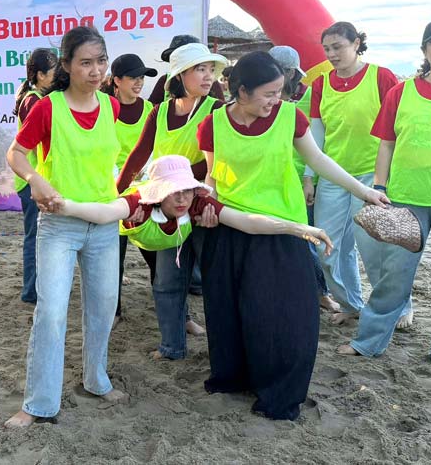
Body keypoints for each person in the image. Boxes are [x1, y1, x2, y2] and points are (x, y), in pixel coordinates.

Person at [197, 51, 388, 420]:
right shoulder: (213, 124)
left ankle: (279, 391)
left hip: (285, 229)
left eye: (281, 92)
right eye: (269, 94)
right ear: (240, 91)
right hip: (233, 226)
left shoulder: (290, 117)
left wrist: (364, 191)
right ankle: (235, 377)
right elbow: (212, 177)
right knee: (230, 310)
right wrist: (208, 203)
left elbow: (319, 160)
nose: (277, 101)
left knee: (284, 316)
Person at [54, 155, 334, 361]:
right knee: (165, 284)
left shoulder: (199, 203)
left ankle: (224, 353)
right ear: (157, 192)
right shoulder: (139, 200)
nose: (181, 199)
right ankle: (171, 348)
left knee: (213, 283)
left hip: (197, 230)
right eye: (173, 192)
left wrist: (301, 229)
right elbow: (104, 213)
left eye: (186, 190)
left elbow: (247, 222)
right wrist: (64, 206)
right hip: (155, 235)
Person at [338, 17, 431, 371]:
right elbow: (386, 144)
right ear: (425, 51)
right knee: (394, 275)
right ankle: (369, 341)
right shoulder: (401, 92)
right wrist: (379, 187)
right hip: (405, 200)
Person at [3, 26, 127, 429]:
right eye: (86, 62)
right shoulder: (48, 107)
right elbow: (16, 154)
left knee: (104, 308)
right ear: (67, 65)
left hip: (104, 226)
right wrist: (37, 180)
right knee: (52, 312)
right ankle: (38, 403)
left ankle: (96, 379)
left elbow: (118, 162)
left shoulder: (111, 107)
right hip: (59, 226)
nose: (95, 71)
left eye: (101, 61)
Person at [117, 42, 227, 332]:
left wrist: (179, 182)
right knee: (167, 273)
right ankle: (179, 328)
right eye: (200, 70)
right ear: (179, 75)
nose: (208, 76)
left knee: (204, 273)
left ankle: (212, 329)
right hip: (168, 203)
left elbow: (215, 162)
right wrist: (117, 193)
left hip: (203, 201)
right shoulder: (161, 111)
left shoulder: (216, 110)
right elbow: (139, 154)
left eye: (210, 70)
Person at [305, 24, 403, 326]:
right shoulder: (321, 84)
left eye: (338, 47)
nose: (332, 54)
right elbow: (316, 134)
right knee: (329, 247)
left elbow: (398, 129)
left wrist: (389, 178)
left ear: (357, 43)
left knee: (376, 248)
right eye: (327, 49)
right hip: (333, 176)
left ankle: (397, 306)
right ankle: (351, 305)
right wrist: (310, 176)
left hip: (373, 178)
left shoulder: (382, 77)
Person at [267, 45, 341, 314]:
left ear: (288, 72)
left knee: (307, 238)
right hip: (271, 178)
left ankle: (321, 292)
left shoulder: (309, 97)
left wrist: (309, 179)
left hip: (301, 178)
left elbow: (317, 143)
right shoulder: (262, 97)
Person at [101, 53, 156, 323]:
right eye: (133, 77)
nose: (139, 83)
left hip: (146, 195)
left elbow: (155, 150)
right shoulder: (105, 110)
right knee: (114, 258)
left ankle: (176, 313)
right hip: (114, 193)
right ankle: (115, 311)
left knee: (157, 255)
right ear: (116, 80)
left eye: (141, 77)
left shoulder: (149, 110)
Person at [13, 48, 58, 304]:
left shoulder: (34, 97)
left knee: (38, 236)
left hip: (33, 178)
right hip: (32, 180)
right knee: (35, 237)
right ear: (40, 75)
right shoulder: (34, 101)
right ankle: (32, 291)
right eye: (54, 72)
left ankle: (35, 289)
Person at [147, 34, 226, 105]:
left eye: (212, 69)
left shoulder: (210, 81)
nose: (209, 76)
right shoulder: (164, 80)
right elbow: (151, 108)